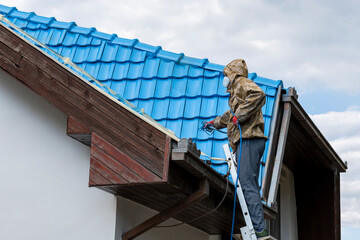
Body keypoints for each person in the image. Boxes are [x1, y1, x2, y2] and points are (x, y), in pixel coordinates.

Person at [206, 59, 269, 238]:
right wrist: (214, 123)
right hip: (248, 140)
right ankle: (257, 227)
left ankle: (258, 229)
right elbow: (230, 115)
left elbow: (258, 94)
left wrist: (239, 117)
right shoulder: (236, 92)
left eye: (225, 75)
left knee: (247, 183)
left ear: (232, 73)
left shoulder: (241, 82)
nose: (224, 79)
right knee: (248, 182)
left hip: (249, 138)